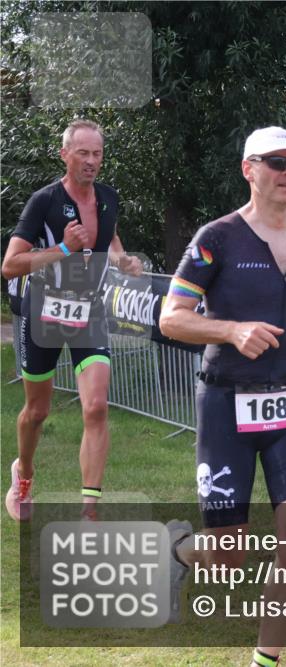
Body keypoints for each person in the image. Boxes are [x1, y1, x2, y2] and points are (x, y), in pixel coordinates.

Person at [159, 126, 286, 666]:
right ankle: (178, 551)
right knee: (228, 556)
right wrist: (231, 330)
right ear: (250, 170)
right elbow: (170, 319)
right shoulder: (215, 238)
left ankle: (263, 661)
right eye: (276, 162)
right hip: (225, 403)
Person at [1, 119, 143, 522]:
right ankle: (23, 474)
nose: (91, 161)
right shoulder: (43, 201)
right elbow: (10, 266)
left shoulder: (109, 198)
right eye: (83, 153)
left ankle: (89, 513)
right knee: (37, 412)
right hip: (42, 311)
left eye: (97, 154)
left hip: (88, 311)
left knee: (96, 406)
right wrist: (64, 247)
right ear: (64, 154)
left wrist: (121, 259)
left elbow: (110, 239)